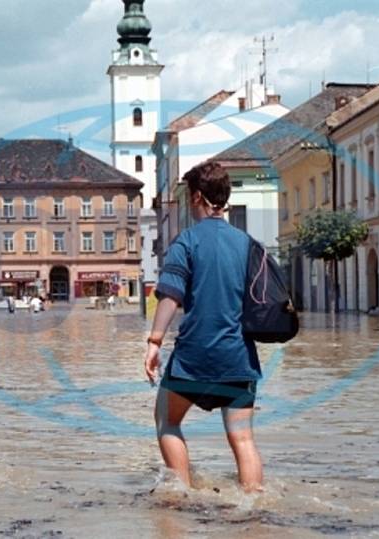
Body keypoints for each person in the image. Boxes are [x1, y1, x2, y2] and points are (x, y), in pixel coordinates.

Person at [143, 160, 263, 492]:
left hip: (193, 358)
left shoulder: (186, 242)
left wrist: (154, 342)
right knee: (243, 439)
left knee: (167, 420)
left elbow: (169, 296)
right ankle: (255, 506)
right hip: (239, 358)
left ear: (196, 196)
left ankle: (181, 495)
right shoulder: (247, 244)